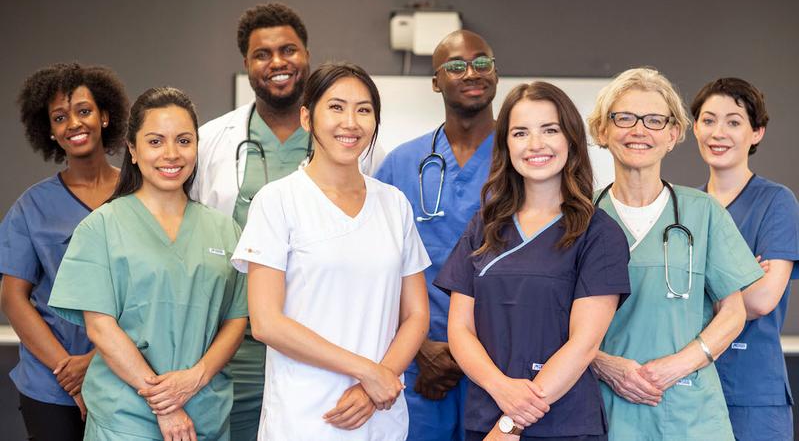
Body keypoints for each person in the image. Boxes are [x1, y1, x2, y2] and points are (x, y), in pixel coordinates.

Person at [231, 62, 431, 440]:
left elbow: (417, 314)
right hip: (305, 416)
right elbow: (266, 322)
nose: (351, 122)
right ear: (307, 117)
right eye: (336, 107)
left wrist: (378, 382)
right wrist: (368, 372)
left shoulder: (394, 204)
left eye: (364, 109)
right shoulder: (278, 201)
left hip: (379, 415)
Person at [48, 87, 248, 440]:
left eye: (184, 141)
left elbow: (236, 319)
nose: (172, 154)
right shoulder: (102, 227)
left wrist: (196, 378)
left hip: (205, 413)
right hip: (127, 418)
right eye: (155, 142)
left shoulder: (223, 229)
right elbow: (100, 328)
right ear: (133, 150)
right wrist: (166, 405)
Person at [435, 81, 630, 441]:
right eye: (520, 132)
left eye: (550, 130)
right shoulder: (484, 227)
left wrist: (511, 423)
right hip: (486, 417)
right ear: (506, 145)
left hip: (563, 425)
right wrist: (501, 390)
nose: (535, 144)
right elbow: (460, 330)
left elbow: (584, 344)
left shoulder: (598, 234)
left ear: (571, 140)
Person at [586, 67, 764, 440]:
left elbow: (733, 312)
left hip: (687, 408)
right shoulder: (580, 219)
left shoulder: (703, 212)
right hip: (603, 405)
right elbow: (554, 319)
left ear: (673, 134)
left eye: (654, 120)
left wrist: (674, 367)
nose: (639, 130)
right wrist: (606, 366)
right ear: (602, 130)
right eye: (624, 118)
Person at [189, 4, 312, 439]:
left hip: (315, 338)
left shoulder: (346, 138)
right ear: (247, 64)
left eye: (288, 50)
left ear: (307, 54)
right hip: (233, 339)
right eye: (262, 54)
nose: (277, 62)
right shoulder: (210, 141)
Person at [375, 29, 497, 441]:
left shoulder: (524, 160)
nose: (471, 73)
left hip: (500, 361)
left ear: (495, 74)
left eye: (482, 62)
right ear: (435, 81)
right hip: (419, 359)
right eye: (456, 65)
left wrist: (472, 354)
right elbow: (373, 266)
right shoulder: (401, 163)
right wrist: (419, 345)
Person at [0, 62, 128, 440]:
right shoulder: (31, 206)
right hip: (51, 383)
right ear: (50, 132)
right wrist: (69, 373)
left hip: (125, 372)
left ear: (105, 116)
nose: (73, 123)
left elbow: (151, 294)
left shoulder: (139, 196)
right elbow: (13, 298)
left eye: (83, 111)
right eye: (60, 117)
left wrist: (96, 362)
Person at [691, 77, 799, 441]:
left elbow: (763, 298)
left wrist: (695, 285)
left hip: (753, 394)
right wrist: (743, 274)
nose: (718, 132)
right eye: (708, 120)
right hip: (690, 389)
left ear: (757, 133)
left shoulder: (777, 202)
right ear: (694, 127)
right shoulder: (685, 207)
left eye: (734, 122)